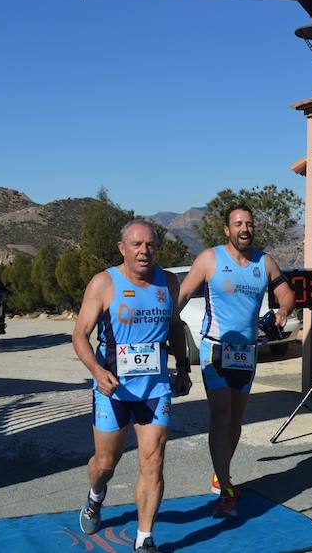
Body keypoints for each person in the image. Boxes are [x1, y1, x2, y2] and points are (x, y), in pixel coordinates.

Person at [73, 219, 191, 553]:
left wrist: (182, 367)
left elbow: (175, 327)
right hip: (113, 389)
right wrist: (96, 371)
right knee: (105, 464)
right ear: (122, 248)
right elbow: (79, 335)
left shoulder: (168, 282)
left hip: (155, 388)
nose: (144, 251)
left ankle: (144, 538)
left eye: (150, 244)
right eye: (137, 245)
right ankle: (95, 496)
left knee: (153, 461)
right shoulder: (103, 283)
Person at [176, 204, 295, 518]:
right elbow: (183, 294)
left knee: (236, 421)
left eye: (249, 224)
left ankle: (221, 473)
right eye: (238, 224)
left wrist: (283, 310)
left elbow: (287, 293)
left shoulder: (264, 262)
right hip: (215, 350)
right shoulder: (210, 259)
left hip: (247, 352)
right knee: (221, 415)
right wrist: (164, 324)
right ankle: (225, 487)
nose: (245, 228)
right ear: (227, 230)